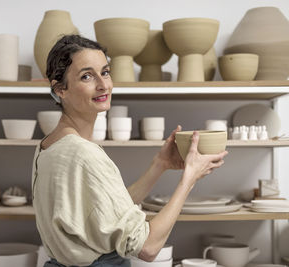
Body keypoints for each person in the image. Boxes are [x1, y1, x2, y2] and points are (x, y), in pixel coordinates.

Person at [31, 34, 228, 267]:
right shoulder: (82, 154)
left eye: (105, 72)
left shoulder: (47, 145)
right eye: (86, 76)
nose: (103, 85)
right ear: (60, 89)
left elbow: (108, 209)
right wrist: (190, 179)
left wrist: (160, 164)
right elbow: (148, 247)